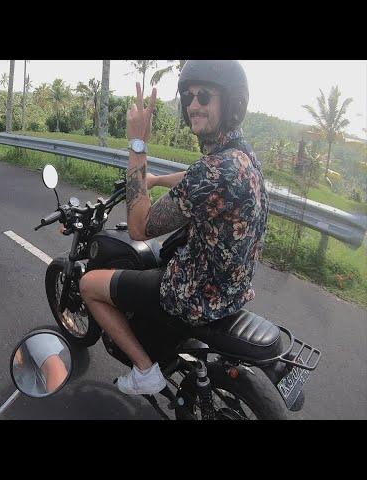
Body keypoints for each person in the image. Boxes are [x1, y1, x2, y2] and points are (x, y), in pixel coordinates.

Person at [79, 60, 268, 395]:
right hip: (233, 290)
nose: (193, 105)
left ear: (231, 102)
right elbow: (196, 178)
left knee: (88, 284)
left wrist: (138, 145)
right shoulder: (241, 156)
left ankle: (145, 371)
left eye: (204, 96)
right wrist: (154, 180)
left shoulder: (215, 170)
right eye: (188, 96)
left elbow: (139, 227)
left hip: (193, 293)